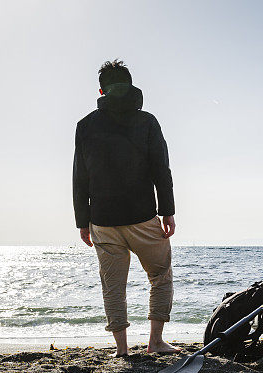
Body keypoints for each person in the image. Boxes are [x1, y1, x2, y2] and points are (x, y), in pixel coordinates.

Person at [72, 59, 180, 357]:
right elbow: (162, 169)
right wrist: (167, 211)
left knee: (113, 286)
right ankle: (155, 342)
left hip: (103, 220)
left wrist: (82, 221)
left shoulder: (85, 125)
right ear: (130, 86)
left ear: (102, 90)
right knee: (160, 276)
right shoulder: (147, 121)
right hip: (143, 216)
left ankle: (122, 350)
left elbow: (80, 177)